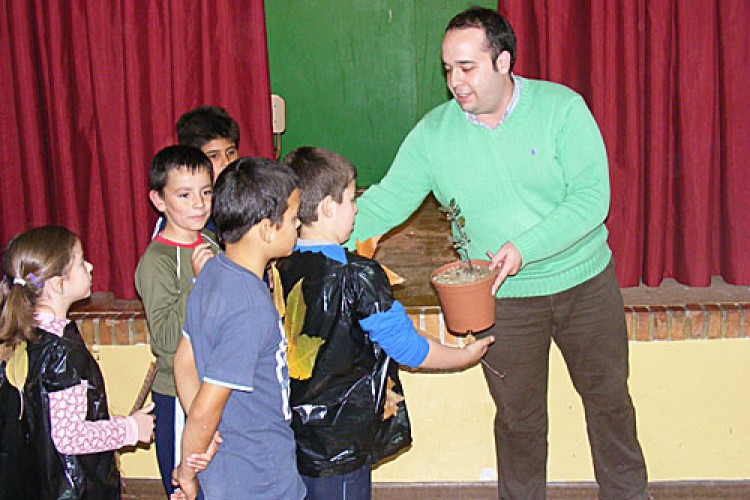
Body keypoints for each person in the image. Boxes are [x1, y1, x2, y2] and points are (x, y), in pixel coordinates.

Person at [346, 7, 648, 500]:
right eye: (447, 69)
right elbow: (384, 203)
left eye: (467, 68)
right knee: (518, 421)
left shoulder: (561, 109)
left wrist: (524, 248)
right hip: (502, 300)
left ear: (503, 61)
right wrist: (303, 239)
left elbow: (592, 199)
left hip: (585, 286)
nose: (455, 82)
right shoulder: (433, 135)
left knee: (610, 404)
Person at [277, 146, 494, 500]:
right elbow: (408, 348)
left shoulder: (280, 264)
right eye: (350, 199)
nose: (357, 207)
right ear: (327, 209)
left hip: (292, 434)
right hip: (340, 443)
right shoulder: (359, 275)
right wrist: (463, 356)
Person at [171, 157, 306, 500]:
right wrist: (187, 469)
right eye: (292, 219)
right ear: (266, 229)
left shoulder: (214, 271)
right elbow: (205, 410)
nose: (298, 226)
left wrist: (206, 435)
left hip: (230, 468)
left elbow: (183, 361)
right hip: (257, 473)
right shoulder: (249, 307)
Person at [0, 225, 155, 498]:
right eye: (81, 262)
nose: (91, 266)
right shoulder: (60, 353)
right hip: (70, 489)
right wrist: (130, 428)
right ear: (59, 283)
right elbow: (70, 435)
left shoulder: (28, 335)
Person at [135, 145, 219, 496]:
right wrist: (199, 284)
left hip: (215, 389)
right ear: (159, 200)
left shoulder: (212, 243)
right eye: (184, 195)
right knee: (187, 485)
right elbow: (166, 339)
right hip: (177, 397)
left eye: (206, 192)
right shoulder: (157, 260)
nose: (199, 204)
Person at [153, 105, 241, 237]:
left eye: (231, 152)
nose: (226, 162)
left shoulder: (242, 197)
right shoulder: (182, 218)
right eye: (213, 155)